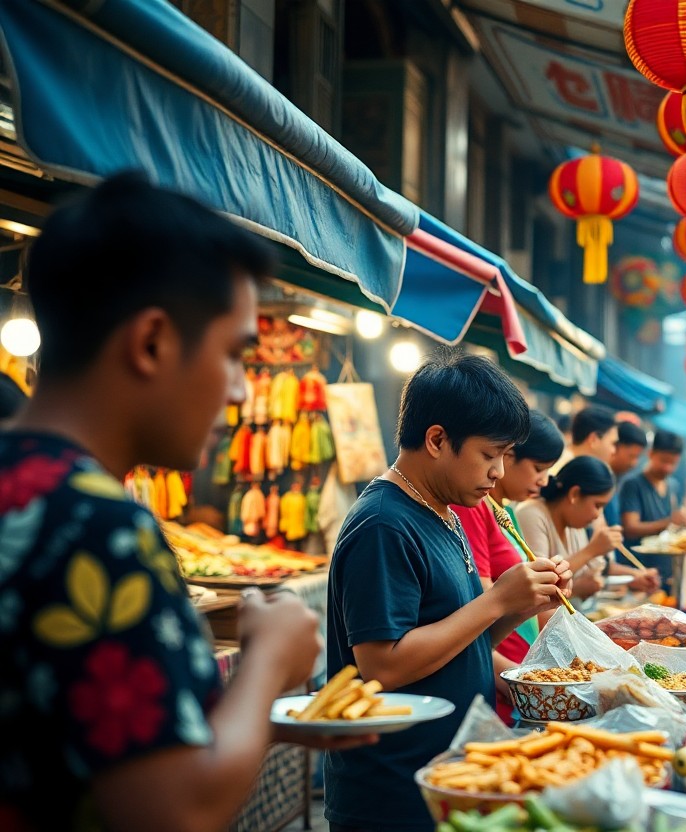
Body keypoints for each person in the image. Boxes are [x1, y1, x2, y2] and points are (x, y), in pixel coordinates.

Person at [0, 173, 369, 832]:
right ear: (152, 343)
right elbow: (175, 812)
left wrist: (265, 725)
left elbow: (85, 745)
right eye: (233, 355)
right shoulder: (98, 524)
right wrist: (267, 663)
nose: (236, 393)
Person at [325, 353, 572, 831]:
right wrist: (497, 599)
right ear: (437, 439)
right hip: (393, 795)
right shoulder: (383, 523)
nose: (499, 472)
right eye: (489, 455)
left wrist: (520, 602)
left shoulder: (447, 513)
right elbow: (383, 666)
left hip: (447, 776)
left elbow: (457, 643)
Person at [452, 409, 565, 723]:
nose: (543, 482)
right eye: (538, 468)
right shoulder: (472, 509)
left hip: (512, 667)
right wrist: (515, 683)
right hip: (499, 677)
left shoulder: (503, 512)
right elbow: (479, 613)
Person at [514, 456, 622, 621]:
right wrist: (591, 551)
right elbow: (539, 586)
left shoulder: (574, 523)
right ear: (575, 494)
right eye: (597, 505)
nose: (597, 515)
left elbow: (589, 575)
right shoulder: (531, 513)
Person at [620, 430, 686, 585]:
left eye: (673, 463)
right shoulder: (633, 484)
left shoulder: (672, 485)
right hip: (640, 574)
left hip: (666, 572)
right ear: (651, 454)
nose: (667, 468)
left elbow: (673, 527)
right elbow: (630, 528)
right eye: (663, 461)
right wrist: (669, 521)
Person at [604, 420, 648, 527]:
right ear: (615, 447)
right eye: (632, 456)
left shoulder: (616, 478)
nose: (634, 463)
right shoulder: (601, 477)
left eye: (637, 457)